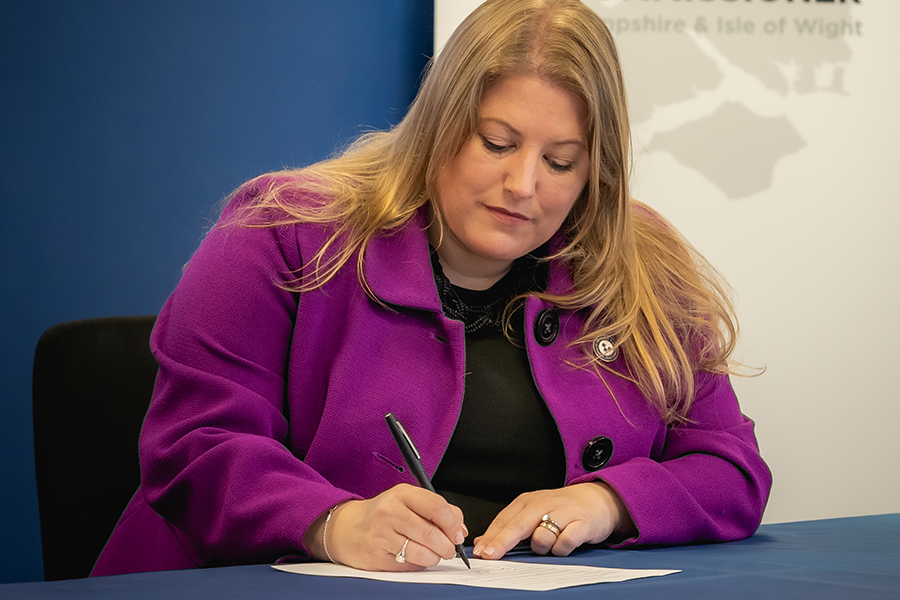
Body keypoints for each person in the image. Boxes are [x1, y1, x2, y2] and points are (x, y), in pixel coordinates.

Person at [92, 0, 771, 576]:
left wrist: (611, 502)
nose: (523, 187)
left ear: (597, 172)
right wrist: (332, 522)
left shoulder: (640, 262)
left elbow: (731, 468)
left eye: (560, 161)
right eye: (497, 143)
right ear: (439, 127)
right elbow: (195, 445)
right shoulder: (283, 230)